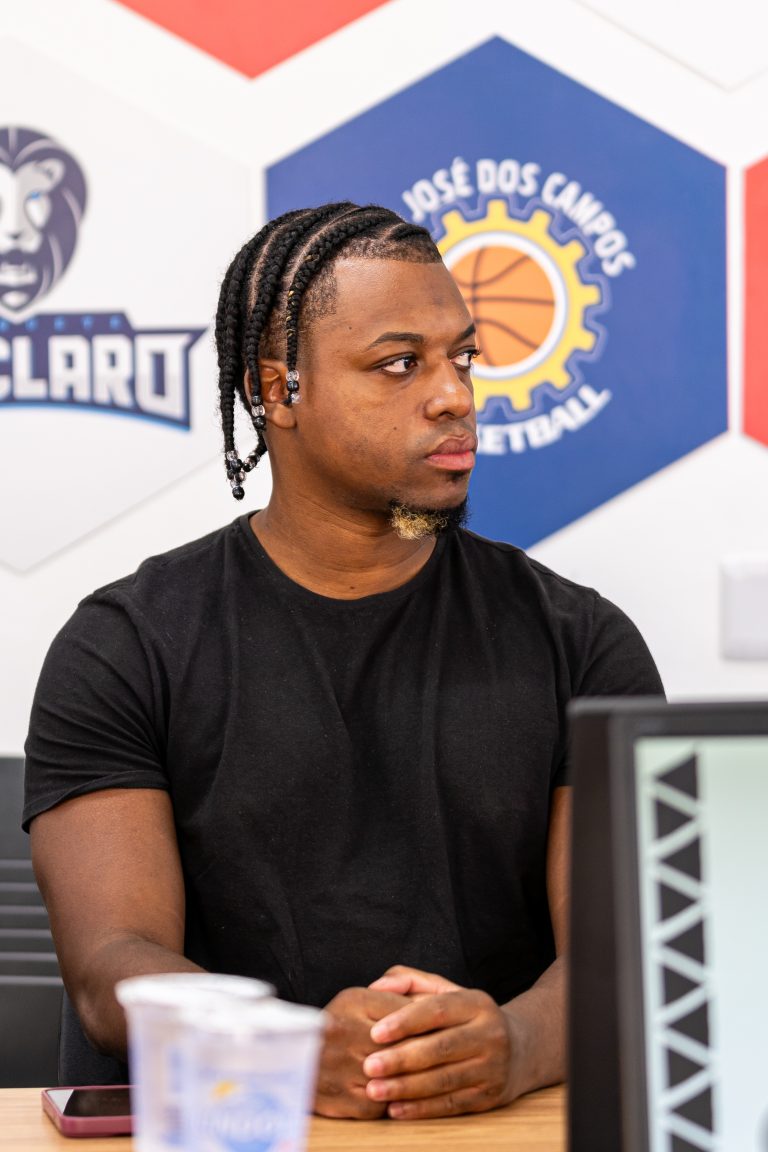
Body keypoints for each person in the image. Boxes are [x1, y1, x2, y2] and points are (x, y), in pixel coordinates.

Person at [24, 202, 663, 1120]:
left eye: (463, 357)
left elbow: (625, 956)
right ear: (278, 391)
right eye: (400, 364)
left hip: (482, 1133)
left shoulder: (582, 642)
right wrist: (285, 1050)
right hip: (233, 1127)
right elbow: (111, 965)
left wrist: (516, 1044)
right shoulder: (125, 646)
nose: (454, 396)